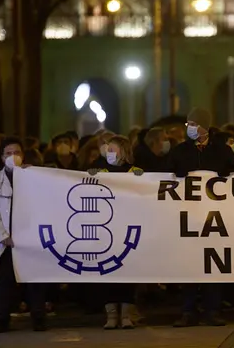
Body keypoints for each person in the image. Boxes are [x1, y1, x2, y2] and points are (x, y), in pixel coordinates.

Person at [170, 109, 233, 327]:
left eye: (194, 124)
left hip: (214, 219)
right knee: (189, 265)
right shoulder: (180, 151)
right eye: (188, 124)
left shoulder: (221, 151)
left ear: (206, 126)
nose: (190, 128)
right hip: (188, 217)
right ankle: (187, 310)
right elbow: (165, 175)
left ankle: (212, 310)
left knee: (212, 265)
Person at [0, 137, 47, 333]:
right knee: (5, 281)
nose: (13, 157)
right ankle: (1, 319)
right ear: (2, 157)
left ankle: (38, 317)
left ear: (23, 155)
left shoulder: (33, 177)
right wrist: (4, 236)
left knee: (34, 279)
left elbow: (45, 202)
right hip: (6, 241)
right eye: (8, 153)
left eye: (17, 153)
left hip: (30, 237)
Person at [89, 135, 143, 329]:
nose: (108, 152)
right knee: (108, 274)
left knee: (128, 274)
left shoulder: (135, 172)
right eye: (107, 149)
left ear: (124, 151)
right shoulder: (100, 169)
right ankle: (111, 315)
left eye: (112, 149)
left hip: (128, 230)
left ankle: (127, 315)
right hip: (106, 230)